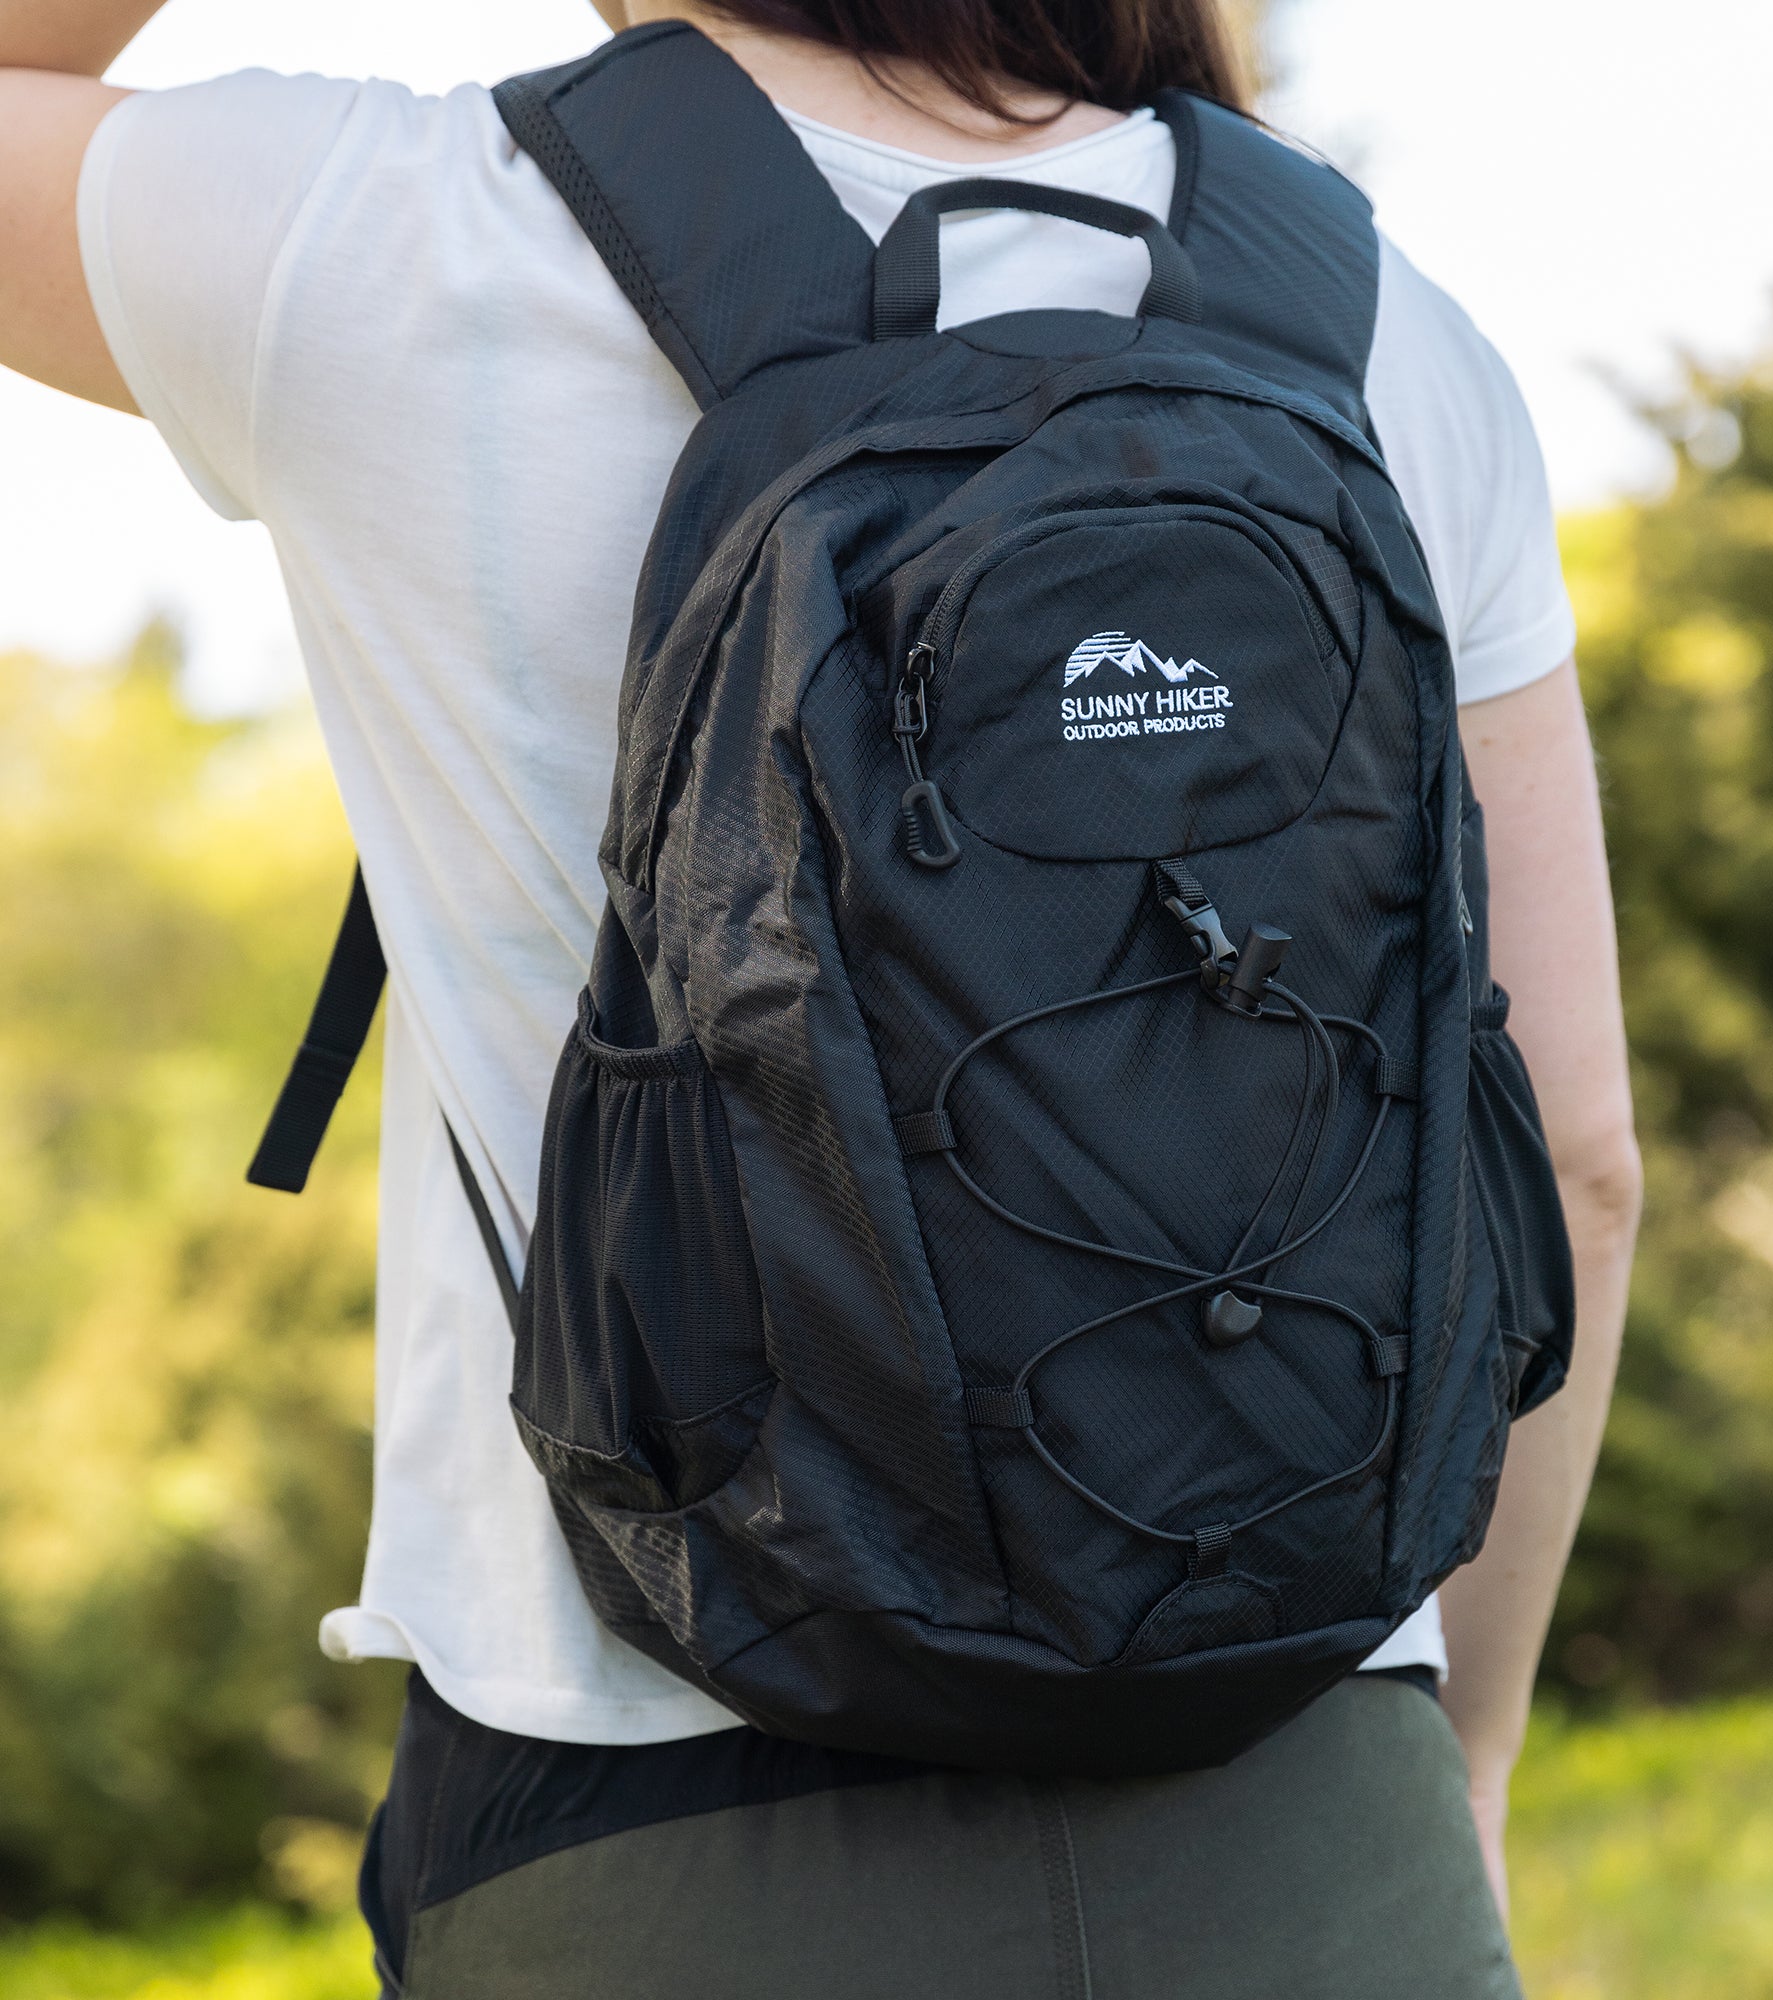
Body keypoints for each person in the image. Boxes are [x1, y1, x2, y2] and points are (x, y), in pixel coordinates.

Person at [0, 1, 1642, 1992]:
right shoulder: (1380, 328)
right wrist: (1467, 1758)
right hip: (1310, 1783)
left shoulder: (375, 236)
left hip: (651, 1815)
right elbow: (1574, 1158)